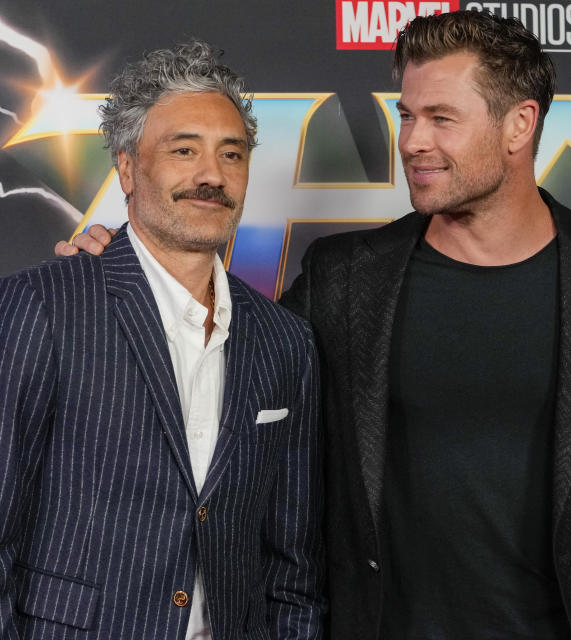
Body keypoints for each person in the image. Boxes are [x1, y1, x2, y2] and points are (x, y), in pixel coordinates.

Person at [62, 11, 571, 640]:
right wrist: (137, 279)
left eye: (440, 118)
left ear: (520, 126)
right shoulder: (347, 279)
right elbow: (227, 370)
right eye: (406, 115)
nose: (412, 141)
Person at [5, 42, 323, 638]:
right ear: (126, 167)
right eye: (184, 150)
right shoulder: (42, 306)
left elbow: (292, 568)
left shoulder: (285, 341)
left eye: (232, 154)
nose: (212, 175)